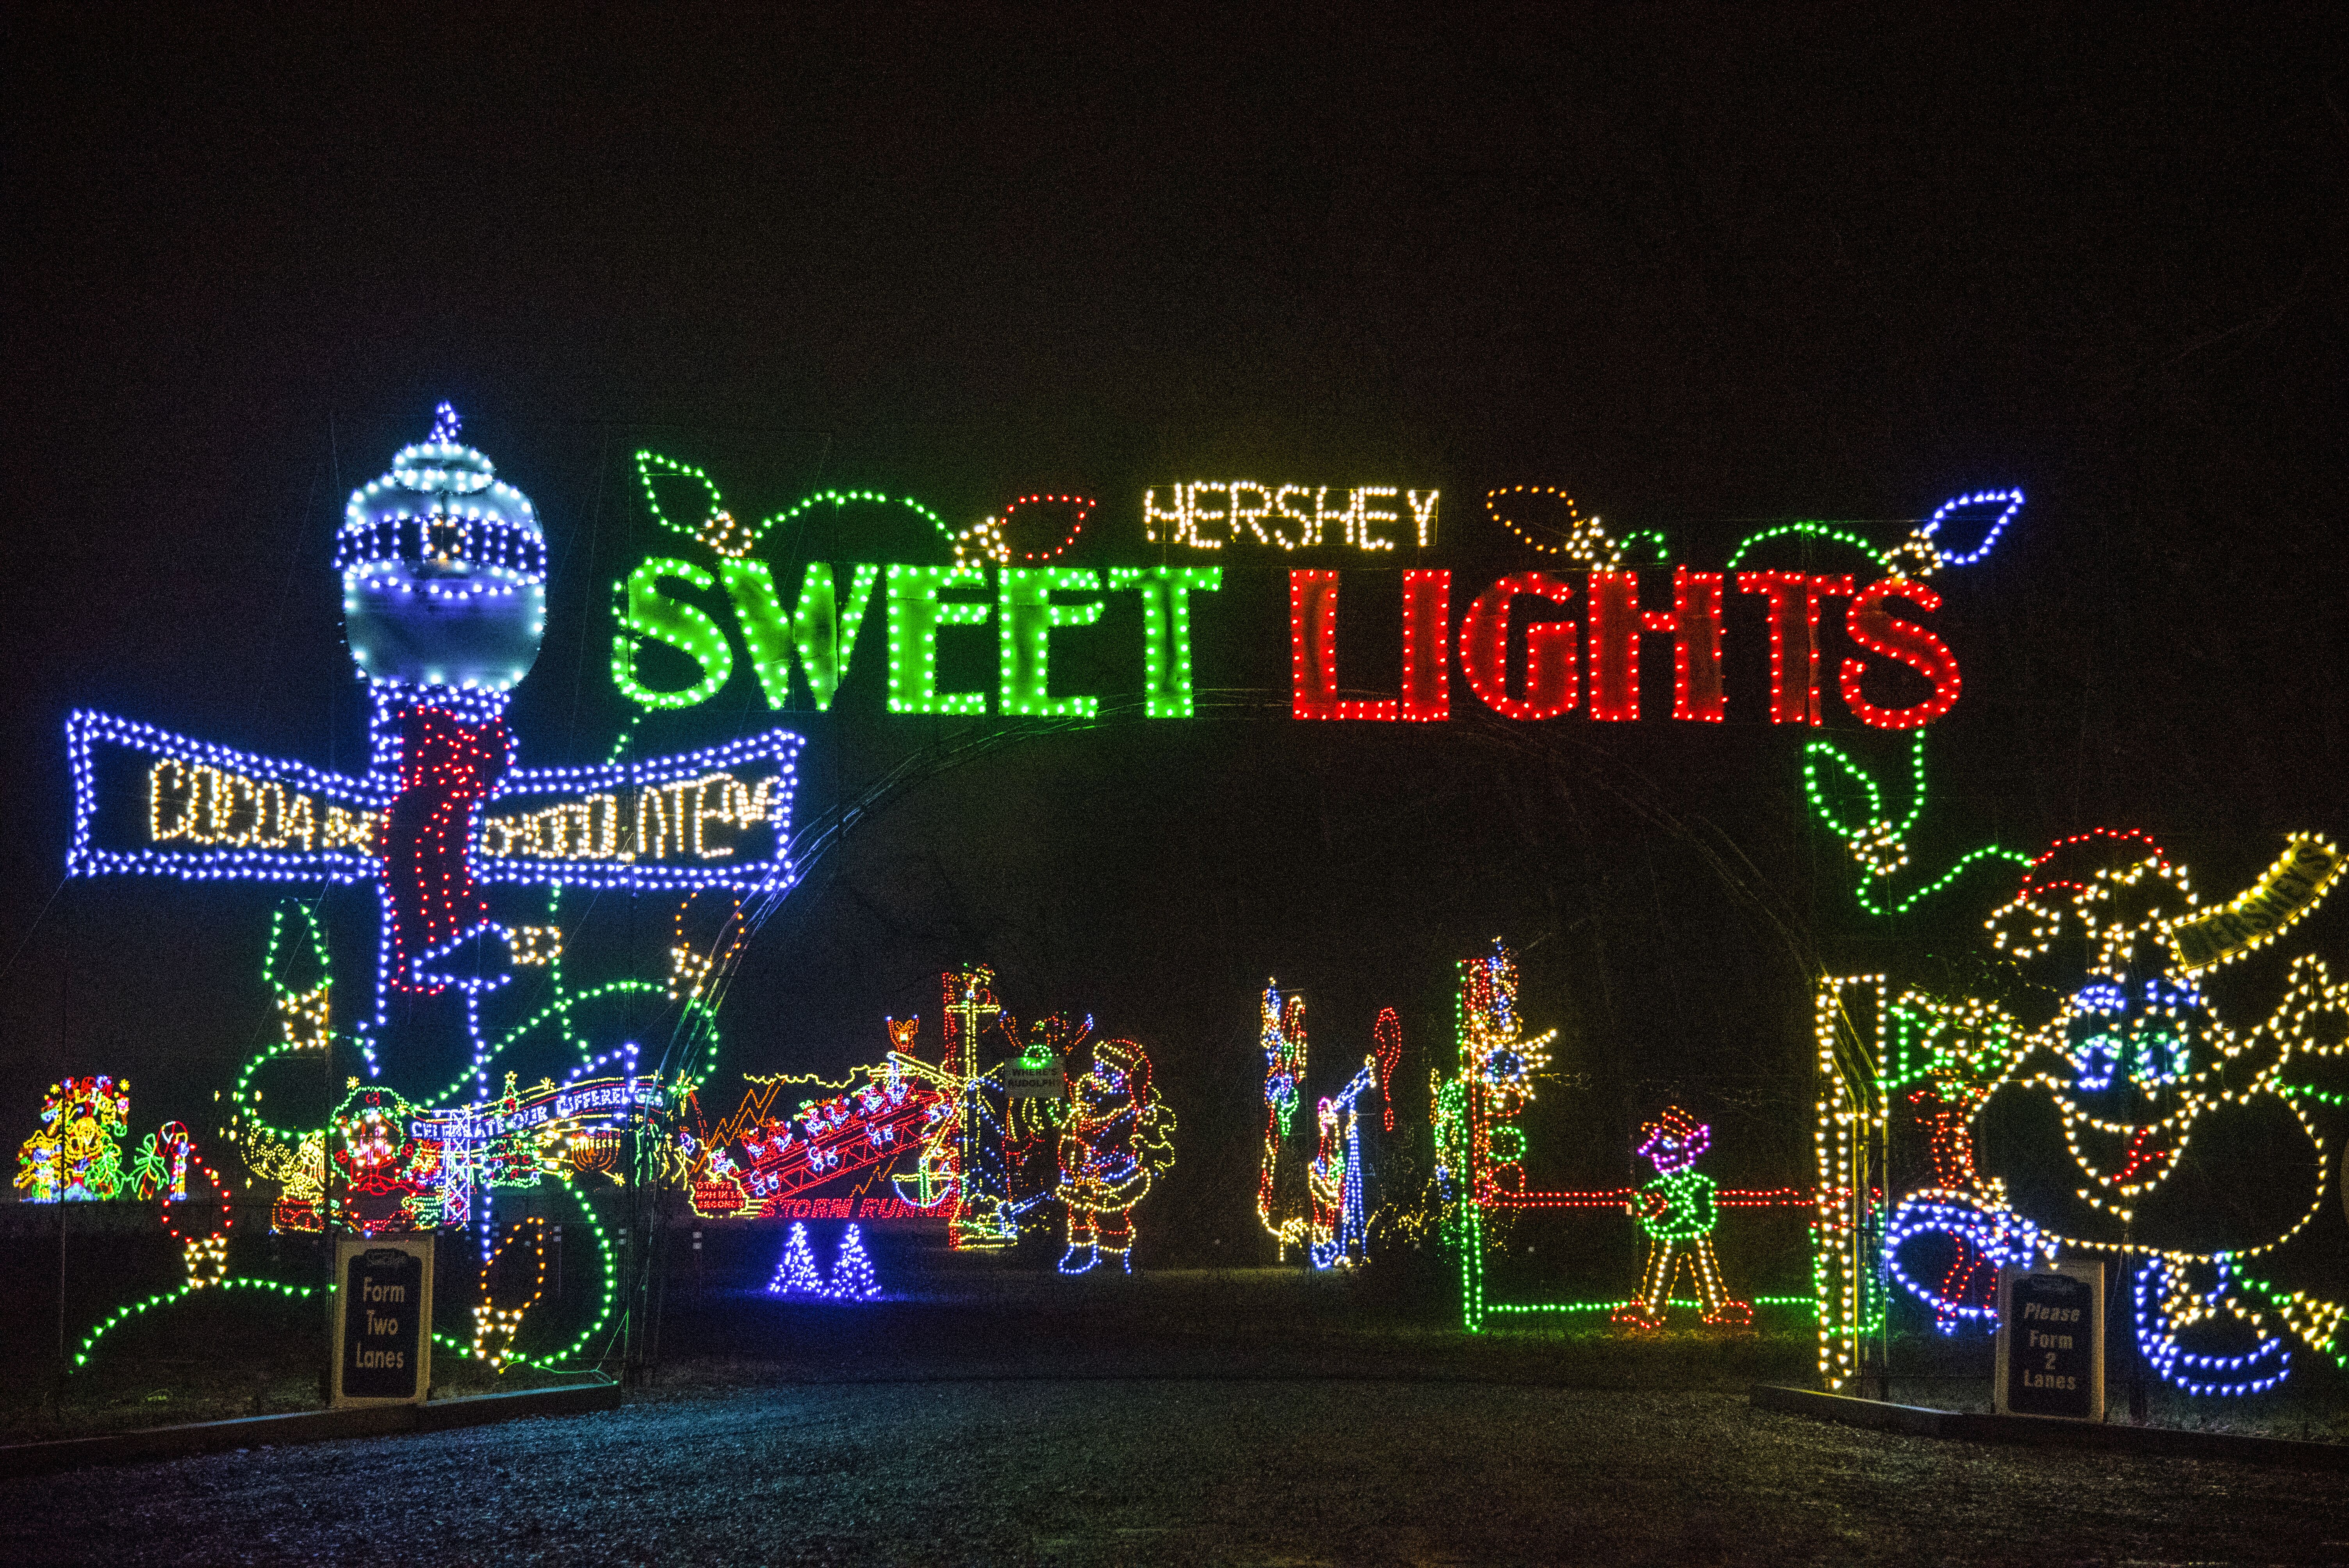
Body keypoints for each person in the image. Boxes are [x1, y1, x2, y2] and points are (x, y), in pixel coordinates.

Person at [1613, 1106, 1752, 1329]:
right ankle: (1651, 1310)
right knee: (1660, 1271)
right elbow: (1646, 1211)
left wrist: (1685, 1210)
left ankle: (1716, 1308)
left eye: (1668, 1148)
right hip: (1668, 1234)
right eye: (1657, 1153)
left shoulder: (1700, 1184)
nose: (1660, 1158)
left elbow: (1706, 1213)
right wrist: (1643, 1212)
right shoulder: (1656, 1188)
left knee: (1707, 1270)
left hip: (1695, 1233)